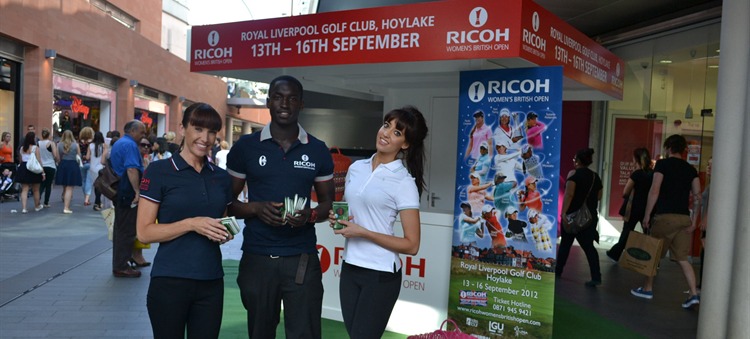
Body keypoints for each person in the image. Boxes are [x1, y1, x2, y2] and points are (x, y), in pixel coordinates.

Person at [226, 75, 335, 338]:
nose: (284, 103)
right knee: (260, 332)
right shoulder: (245, 148)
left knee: (305, 333)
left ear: (301, 104)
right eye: (278, 96)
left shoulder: (318, 150)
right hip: (258, 258)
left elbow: (329, 203)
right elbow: (227, 204)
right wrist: (255, 209)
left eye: (292, 98)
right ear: (268, 102)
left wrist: (309, 215)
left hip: (302, 259)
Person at [328, 106, 428, 338]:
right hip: (351, 267)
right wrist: (338, 220)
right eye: (386, 125)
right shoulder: (356, 168)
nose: (386, 133)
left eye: (397, 132)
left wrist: (363, 232)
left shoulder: (404, 182)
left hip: (380, 275)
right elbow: (352, 213)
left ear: (405, 144)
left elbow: (412, 245)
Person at [137, 103, 234, 338]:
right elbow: (144, 233)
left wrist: (223, 232)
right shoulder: (159, 171)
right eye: (198, 129)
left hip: (211, 280)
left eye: (211, 131)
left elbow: (220, 220)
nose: (205, 138)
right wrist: (192, 224)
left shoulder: (221, 177)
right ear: (182, 128)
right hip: (170, 281)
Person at [631, 135, 702, 309]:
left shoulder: (662, 165)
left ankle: (647, 289)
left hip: (665, 217)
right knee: (683, 258)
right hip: (684, 219)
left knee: (653, 255)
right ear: (683, 149)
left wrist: (647, 215)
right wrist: (694, 221)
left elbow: (654, 191)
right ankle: (693, 293)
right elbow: (698, 197)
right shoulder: (691, 169)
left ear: (669, 148)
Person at [556, 148, 603, 287]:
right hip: (588, 218)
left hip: (572, 216)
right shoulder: (595, 176)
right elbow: (599, 196)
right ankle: (596, 276)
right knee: (589, 248)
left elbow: (569, 195)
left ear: (578, 161)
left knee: (565, 244)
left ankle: (558, 271)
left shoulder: (574, 175)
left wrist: (563, 213)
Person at [109, 120, 146, 278]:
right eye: (141, 132)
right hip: (126, 191)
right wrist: (137, 191)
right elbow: (131, 169)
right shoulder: (129, 145)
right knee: (126, 229)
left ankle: (122, 261)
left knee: (122, 227)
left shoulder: (120, 142)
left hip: (121, 189)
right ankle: (121, 265)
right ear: (133, 131)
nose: (143, 136)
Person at [606, 147, 653, 261]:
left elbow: (626, 192)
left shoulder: (636, 174)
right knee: (649, 233)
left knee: (627, 230)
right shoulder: (653, 174)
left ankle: (615, 253)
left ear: (635, 159)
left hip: (634, 207)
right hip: (649, 208)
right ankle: (652, 258)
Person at [54, 130, 83, 214]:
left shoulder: (59, 144)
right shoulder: (76, 145)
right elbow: (79, 156)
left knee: (65, 183)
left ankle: (64, 194)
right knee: (70, 187)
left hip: (63, 164)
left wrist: (60, 163)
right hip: (73, 165)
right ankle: (66, 207)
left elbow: (57, 157)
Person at [17, 132, 44, 213]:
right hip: (33, 168)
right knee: (36, 189)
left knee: (24, 189)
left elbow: (21, 160)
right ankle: (37, 206)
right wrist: (43, 172)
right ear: (33, 139)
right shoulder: (35, 148)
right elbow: (39, 160)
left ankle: (24, 208)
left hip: (24, 168)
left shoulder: (22, 148)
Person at [38, 128, 59, 208]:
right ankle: (46, 202)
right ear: (49, 135)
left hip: (41, 166)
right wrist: (56, 160)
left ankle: (38, 199)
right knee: (48, 185)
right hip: (50, 165)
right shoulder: (51, 143)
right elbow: (55, 155)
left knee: (41, 184)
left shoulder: (38, 143)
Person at [86, 131, 107, 211]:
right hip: (101, 167)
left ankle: (97, 202)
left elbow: (87, 157)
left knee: (96, 185)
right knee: (100, 185)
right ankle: (97, 202)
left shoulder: (90, 145)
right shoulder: (104, 146)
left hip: (92, 168)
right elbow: (104, 158)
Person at [78, 127, 94, 206]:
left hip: (81, 163)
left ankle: (86, 197)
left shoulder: (79, 142)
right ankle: (86, 199)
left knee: (83, 181)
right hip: (90, 163)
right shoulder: (92, 143)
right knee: (89, 181)